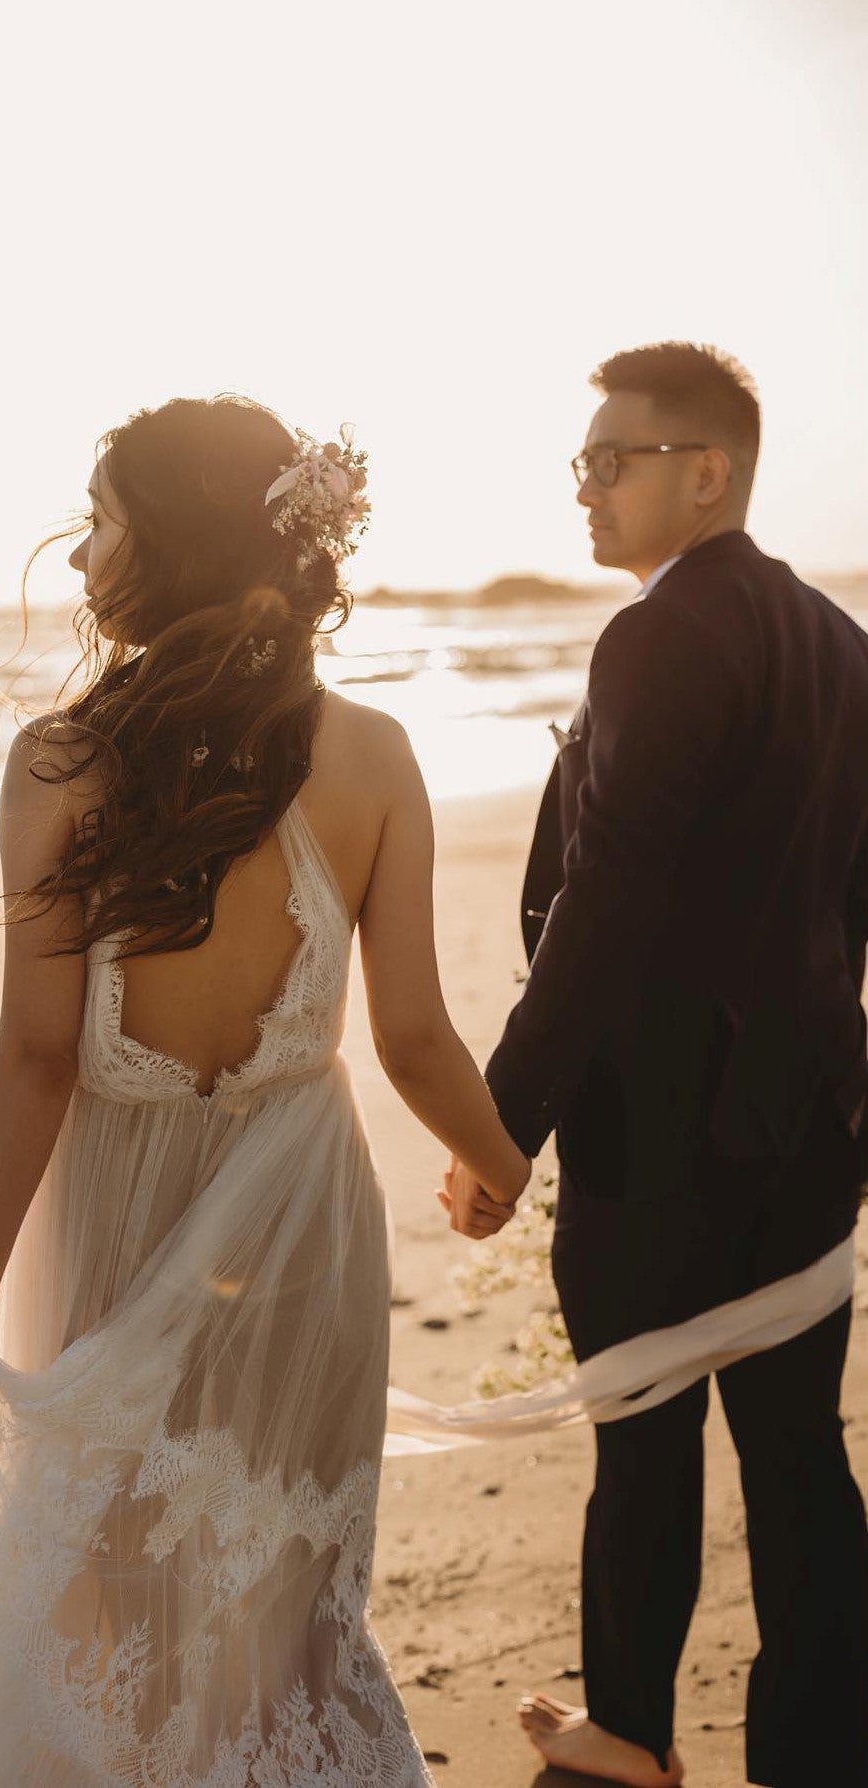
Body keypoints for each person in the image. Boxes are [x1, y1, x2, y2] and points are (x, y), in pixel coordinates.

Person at [0, 395, 530, 1786]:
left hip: (110, 1201)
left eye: (105, 523)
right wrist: (497, 1163)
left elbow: (35, 1055)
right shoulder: (373, 757)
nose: (79, 561)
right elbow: (417, 1036)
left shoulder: (59, 763)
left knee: (95, 1566)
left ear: (177, 548)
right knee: (290, 1575)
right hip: (302, 1207)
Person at [447, 342, 868, 1788]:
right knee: (798, 1453)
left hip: (659, 1139)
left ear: (706, 470)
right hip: (805, 1133)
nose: (583, 488)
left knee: (642, 1445)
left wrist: (501, 1124)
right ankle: (818, 1752)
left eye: (609, 461)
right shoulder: (837, 640)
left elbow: (605, 894)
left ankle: (619, 1743)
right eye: (579, 462)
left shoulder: (657, 635)